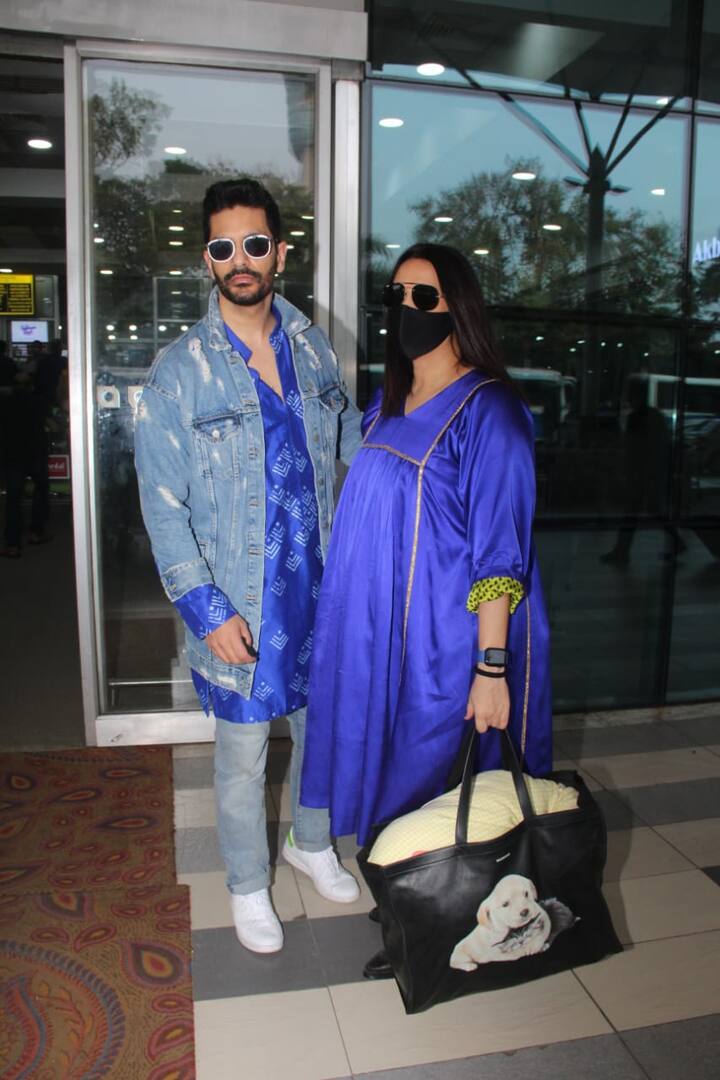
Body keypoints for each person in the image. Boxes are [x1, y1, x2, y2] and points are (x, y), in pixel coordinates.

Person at [299, 243, 553, 978]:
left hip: (445, 648)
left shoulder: (490, 409)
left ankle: (432, 927)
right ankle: (407, 904)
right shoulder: (385, 403)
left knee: (427, 782)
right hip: (377, 638)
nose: (408, 310)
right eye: (398, 294)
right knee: (385, 776)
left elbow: (501, 553)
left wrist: (491, 666)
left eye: (427, 297)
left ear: (459, 308)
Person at [134, 178, 363, 954]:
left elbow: (348, 451)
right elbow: (164, 510)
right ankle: (246, 884)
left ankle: (309, 840)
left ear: (279, 254)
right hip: (239, 602)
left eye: (255, 244)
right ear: (207, 259)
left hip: (318, 591)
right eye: (224, 246)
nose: (241, 259)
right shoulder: (178, 373)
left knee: (321, 732)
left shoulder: (312, 348)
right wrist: (207, 609)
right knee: (241, 756)